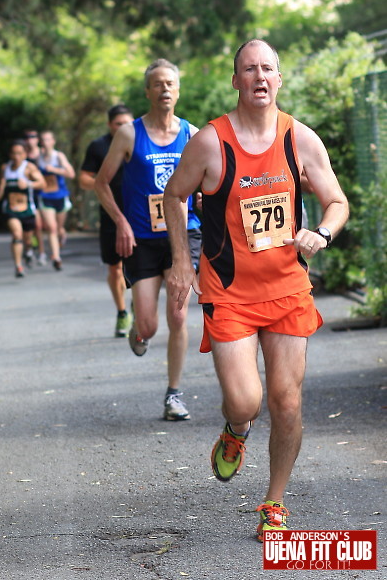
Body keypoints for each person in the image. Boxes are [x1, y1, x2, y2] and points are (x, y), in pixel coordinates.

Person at [164, 39, 349, 539]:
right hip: (229, 292)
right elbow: (174, 194)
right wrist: (182, 259)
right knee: (246, 400)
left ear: (279, 79)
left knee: (287, 402)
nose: (260, 77)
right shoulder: (209, 142)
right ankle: (236, 429)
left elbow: (337, 201)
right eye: (249, 69)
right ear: (236, 81)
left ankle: (274, 502)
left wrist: (323, 232)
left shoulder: (300, 139)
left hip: (288, 287)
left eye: (268, 68)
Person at [95, 59, 202, 422]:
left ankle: (174, 394)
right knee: (148, 325)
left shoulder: (192, 133)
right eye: (157, 84)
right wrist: (122, 222)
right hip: (141, 237)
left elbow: (209, 179)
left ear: (178, 89)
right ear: (147, 91)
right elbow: (101, 183)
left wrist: (203, 195)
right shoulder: (128, 134)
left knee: (178, 314)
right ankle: (138, 336)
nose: (165, 89)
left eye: (170, 83)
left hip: (183, 236)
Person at [79, 104, 134, 337]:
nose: (123, 128)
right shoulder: (98, 146)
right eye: (118, 124)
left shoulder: (141, 140)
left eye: (127, 123)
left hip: (140, 214)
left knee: (138, 268)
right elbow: (83, 179)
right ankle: (122, 312)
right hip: (111, 215)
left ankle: (139, 304)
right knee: (115, 268)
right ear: (109, 125)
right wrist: (103, 186)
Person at [0, 140, 46, 277]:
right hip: (11, 209)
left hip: (27, 209)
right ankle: (18, 266)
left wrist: (28, 184)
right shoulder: (5, 168)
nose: (16, 156)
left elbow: (42, 183)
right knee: (17, 234)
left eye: (19, 153)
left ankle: (28, 251)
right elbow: (2, 182)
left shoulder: (29, 168)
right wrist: (0, 192)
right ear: (10, 154)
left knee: (27, 239)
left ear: (24, 154)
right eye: (14, 153)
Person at [37, 130, 76, 271]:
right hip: (45, 197)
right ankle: (56, 257)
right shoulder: (38, 157)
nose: (45, 143)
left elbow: (71, 174)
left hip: (60, 196)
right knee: (51, 228)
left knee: (58, 228)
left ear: (53, 141)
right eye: (43, 140)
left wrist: (54, 169)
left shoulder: (58, 156)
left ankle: (62, 234)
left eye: (48, 139)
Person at [23, 129, 47, 266]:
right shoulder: (22, 155)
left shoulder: (43, 154)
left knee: (40, 226)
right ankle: (29, 250)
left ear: (37, 139)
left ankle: (42, 253)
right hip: (27, 194)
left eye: (32, 136)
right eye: (27, 137)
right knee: (32, 225)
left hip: (43, 192)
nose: (30, 139)